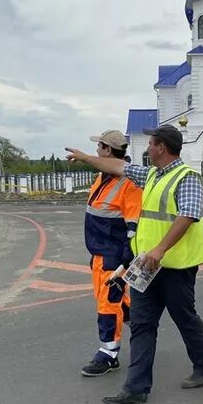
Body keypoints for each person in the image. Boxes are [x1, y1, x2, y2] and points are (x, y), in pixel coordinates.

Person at [65, 125, 203, 404]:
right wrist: (86, 158)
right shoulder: (151, 175)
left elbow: (189, 215)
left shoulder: (187, 178)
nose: (147, 147)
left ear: (162, 147)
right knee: (143, 324)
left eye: (150, 142)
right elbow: (118, 166)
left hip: (176, 267)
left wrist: (160, 248)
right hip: (146, 266)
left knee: (185, 318)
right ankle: (136, 387)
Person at [78, 130, 142, 377]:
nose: (96, 151)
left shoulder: (129, 183)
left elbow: (133, 226)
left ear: (108, 150)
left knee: (108, 304)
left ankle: (108, 353)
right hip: (100, 252)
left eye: (99, 147)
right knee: (113, 301)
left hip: (113, 254)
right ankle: (142, 327)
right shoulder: (103, 177)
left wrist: (125, 260)